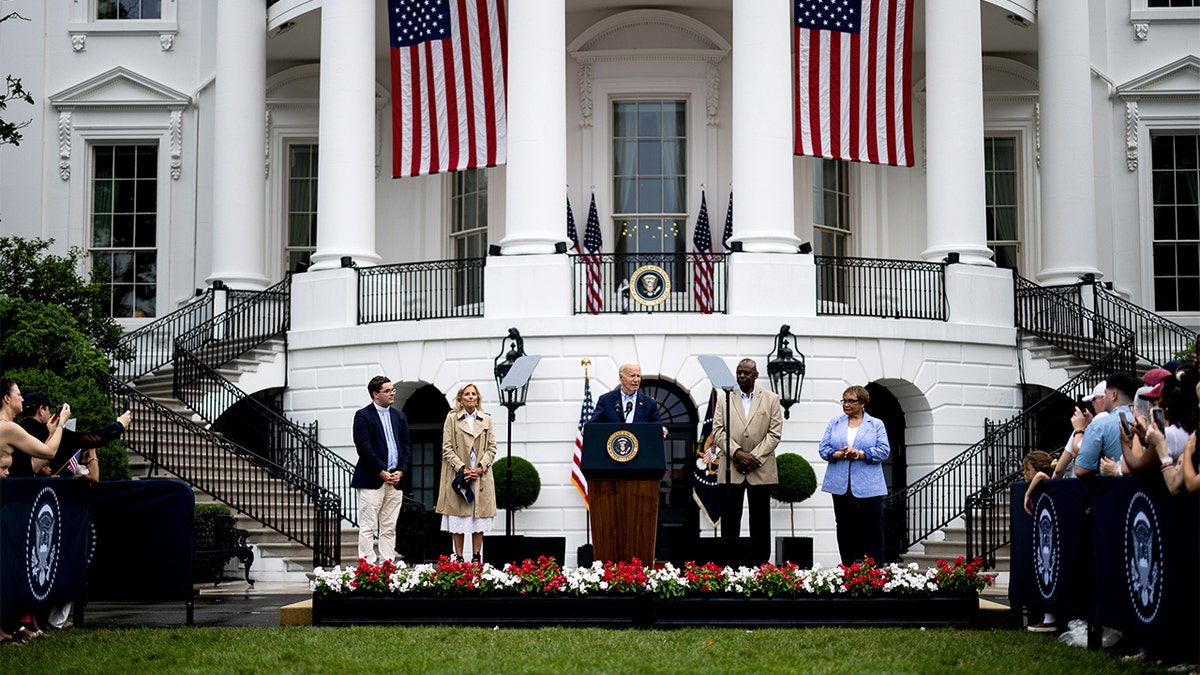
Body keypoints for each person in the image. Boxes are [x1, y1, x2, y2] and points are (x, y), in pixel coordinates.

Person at [712, 359, 782, 566]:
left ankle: (760, 563)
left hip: (760, 469)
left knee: (760, 520)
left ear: (756, 375)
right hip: (731, 467)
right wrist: (738, 453)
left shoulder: (771, 399)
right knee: (730, 519)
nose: (741, 376)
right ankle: (730, 564)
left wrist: (753, 458)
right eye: (739, 372)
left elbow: (775, 433)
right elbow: (717, 431)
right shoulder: (724, 398)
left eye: (746, 373)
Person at [819, 385, 891, 566]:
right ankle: (848, 567)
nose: (846, 404)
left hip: (870, 484)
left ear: (863, 403)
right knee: (844, 527)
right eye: (844, 400)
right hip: (840, 483)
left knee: (874, 527)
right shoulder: (834, 423)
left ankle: (876, 569)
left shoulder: (875, 424)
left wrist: (860, 453)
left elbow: (884, 451)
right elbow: (823, 449)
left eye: (851, 401)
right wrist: (841, 454)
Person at [351, 375, 411, 564]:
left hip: (395, 480)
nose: (392, 393)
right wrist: (382, 471)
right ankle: (367, 568)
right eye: (387, 391)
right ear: (375, 394)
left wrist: (400, 470)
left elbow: (406, 446)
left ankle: (387, 565)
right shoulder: (363, 415)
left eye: (393, 390)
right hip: (372, 479)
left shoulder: (399, 416)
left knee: (389, 526)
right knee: (368, 526)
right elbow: (363, 447)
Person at [435, 383, 497, 563]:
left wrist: (480, 468)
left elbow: (492, 448)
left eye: (474, 394)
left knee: (479, 517)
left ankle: (477, 557)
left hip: (480, 476)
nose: (471, 397)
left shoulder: (486, 419)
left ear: (478, 398)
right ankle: (459, 557)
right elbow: (446, 448)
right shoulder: (452, 418)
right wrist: (462, 469)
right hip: (458, 475)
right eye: (467, 394)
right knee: (458, 518)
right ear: (461, 398)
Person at [14, 392, 132, 482]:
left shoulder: (17, 430)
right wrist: (119, 425)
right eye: (48, 410)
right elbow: (91, 439)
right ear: (41, 410)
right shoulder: (45, 431)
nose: (50, 414)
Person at [1019, 450, 1059, 632]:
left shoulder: (1048, 481)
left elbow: (1042, 475)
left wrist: (1027, 494)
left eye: (1027, 470)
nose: (1024, 474)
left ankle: (1051, 618)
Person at [1074, 373, 1139, 478]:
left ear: (1114, 395)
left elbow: (1081, 470)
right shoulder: (1148, 420)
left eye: (1105, 393)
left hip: (1113, 488)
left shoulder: (1099, 425)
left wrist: (1079, 430)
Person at [0, 379, 66, 467]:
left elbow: (33, 466)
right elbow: (50, 452)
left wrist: (51, 433)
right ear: (7, 398)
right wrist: (61, 423)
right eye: (19, 395)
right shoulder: (8, 428)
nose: (22, 399)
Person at [590, 363, 662, 425]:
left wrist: (663, 430)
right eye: (632, 376)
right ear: (621, 377)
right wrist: (587, 429)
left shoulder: (649, 403)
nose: (636, 380)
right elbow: (594, 424)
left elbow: (658, 427)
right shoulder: (606, 400)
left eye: (638, 376)